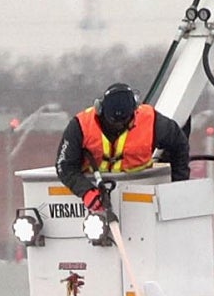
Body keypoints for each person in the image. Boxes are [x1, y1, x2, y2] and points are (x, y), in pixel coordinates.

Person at [55, 83, 192, 208]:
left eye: (124, 122)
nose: (119, 127)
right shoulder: (81, 126)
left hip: (140, 196)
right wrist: (86, 191)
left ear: (135, 111)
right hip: (94, 197)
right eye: (113, 123)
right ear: (100, 110)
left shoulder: (152, 122)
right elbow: (64, 166)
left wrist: (177, 188)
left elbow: (179, 145)